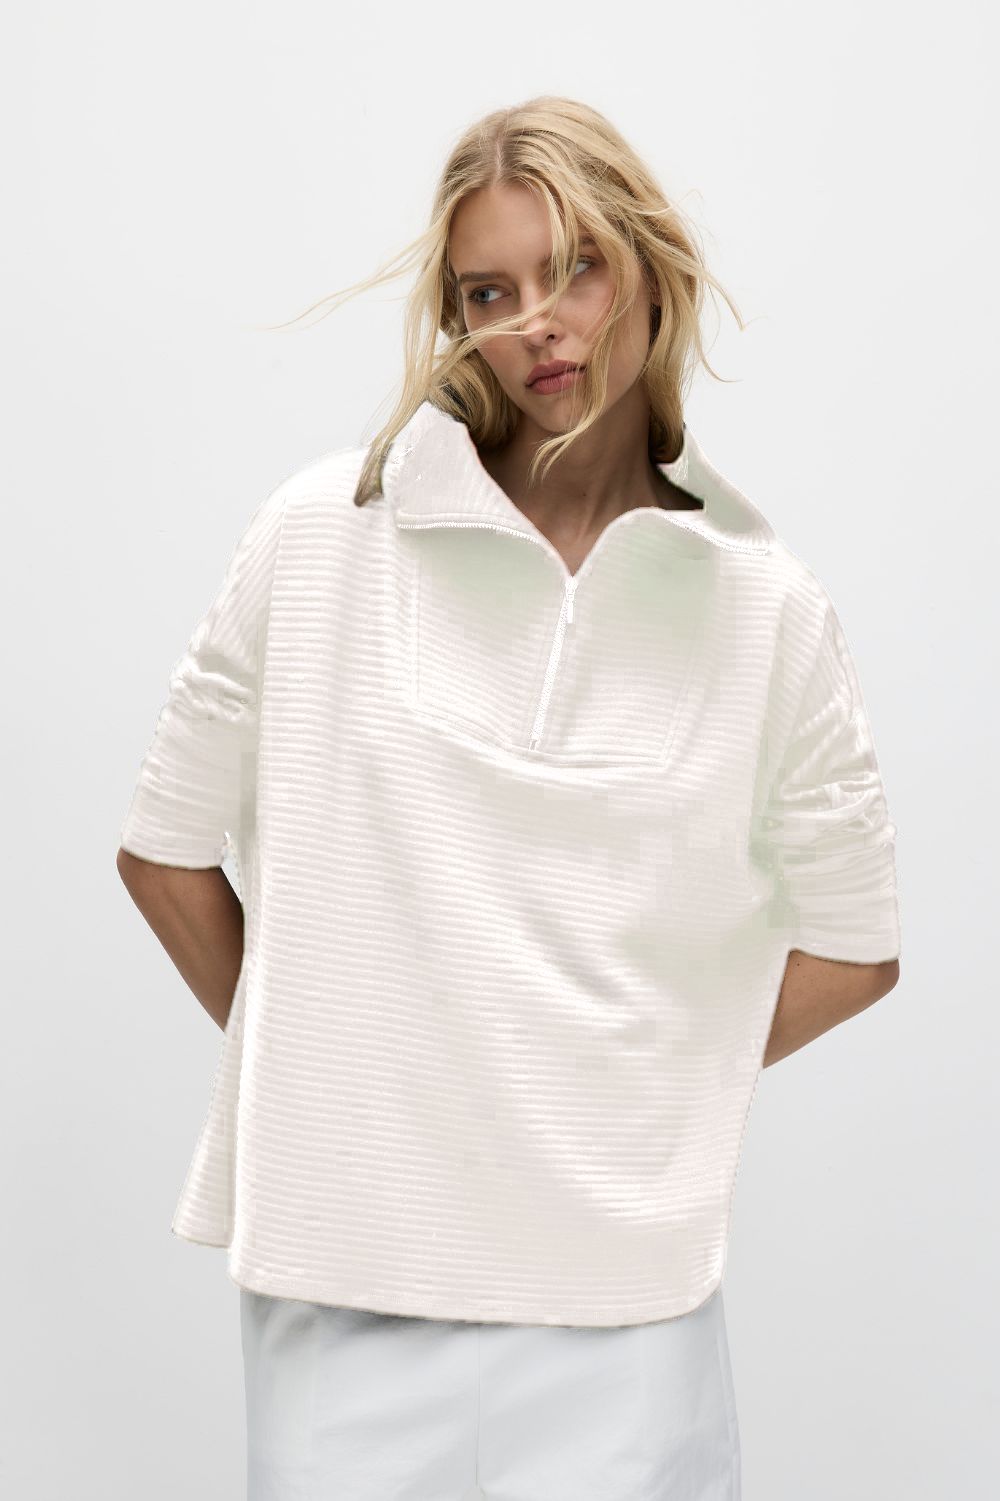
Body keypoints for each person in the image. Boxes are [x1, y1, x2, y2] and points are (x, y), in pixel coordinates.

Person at [117, 95, 902, 1501]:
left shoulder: (764, 604)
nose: (540, 322)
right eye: (491, 292)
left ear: (651, 268)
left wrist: (617, 1090)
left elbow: (858, 943)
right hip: (343, 1291)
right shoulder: (321, 538)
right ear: (458, 317)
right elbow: (164, 851)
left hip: (624, 1311)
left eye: (577, 268)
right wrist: (348, 1075)